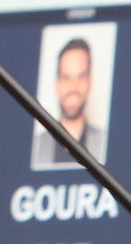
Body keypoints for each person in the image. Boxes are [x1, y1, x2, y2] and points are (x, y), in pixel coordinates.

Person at [31, 37, 108, 168]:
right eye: (67, 77)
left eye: (81, 76)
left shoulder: (104, 141)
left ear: (90, 81)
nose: (73, 87)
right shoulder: (37, 145)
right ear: (57, 83)